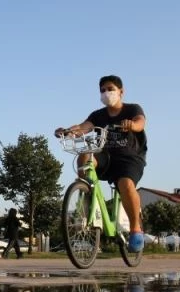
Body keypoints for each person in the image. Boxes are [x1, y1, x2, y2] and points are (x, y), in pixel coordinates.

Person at [55, 75, 148, 253]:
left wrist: (132, 125)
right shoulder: (98, 115)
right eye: (103, 90)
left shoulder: (132, 109)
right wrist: (68, 131)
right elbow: (84, 126)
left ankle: (136, 229)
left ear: (121, 92)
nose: (106, 93)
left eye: (110, 89)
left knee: (125, 184)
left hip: (130, 158)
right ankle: (86, 193)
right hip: (106, 156)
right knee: (85, 155)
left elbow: (140, 123)